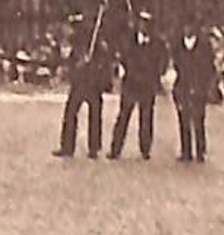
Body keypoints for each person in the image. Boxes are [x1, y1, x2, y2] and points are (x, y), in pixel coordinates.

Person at [108, 14, 166, 161]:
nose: (143, 26)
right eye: (141, 22)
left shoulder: (157, 43)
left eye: (146, 23)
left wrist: (156, 75)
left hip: (147, 84)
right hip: (131, 83)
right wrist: (126, 69)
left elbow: (162, 61)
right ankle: (116, 149)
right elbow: (123, 57)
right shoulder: (129, 41)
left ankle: (145, 149)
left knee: (146, 117)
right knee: (123, 116)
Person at [53, 32, 111, 159]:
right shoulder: (76, 46)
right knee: (70, 113)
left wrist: (92, 64)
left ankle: (94, 148)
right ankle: (67, 147)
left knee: (95, 116)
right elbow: (70, 64)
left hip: (93, 84)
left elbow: (104, 63)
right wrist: (78, 66)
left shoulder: (98, 45)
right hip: (79, 84)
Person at [171, 25, 214, 163]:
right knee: (183, 119)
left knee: (198, 119)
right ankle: (186, 151)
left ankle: (200, 151)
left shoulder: (204, 46)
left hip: (198, 87)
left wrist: (204, 85)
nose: (187, 30)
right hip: (182, 86)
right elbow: (176, 64)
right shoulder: (178, 45)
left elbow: (209, 67)